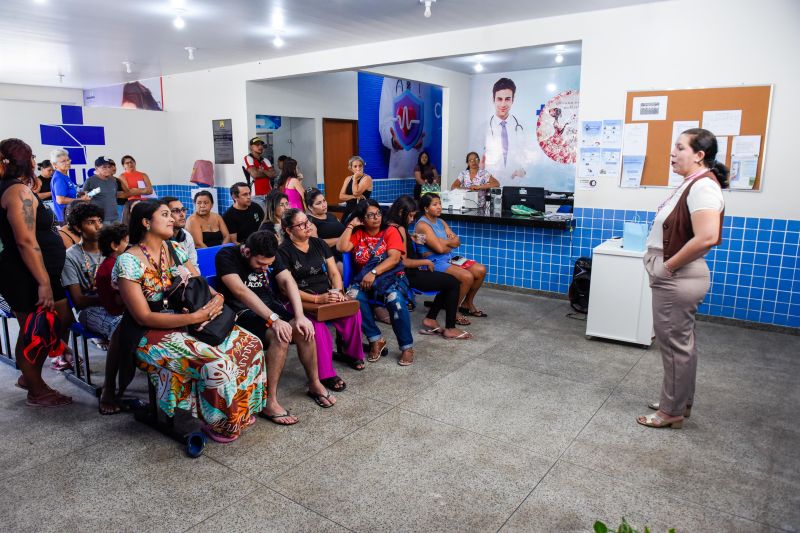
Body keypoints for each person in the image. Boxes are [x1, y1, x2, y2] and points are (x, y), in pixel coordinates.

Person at [115, 200, 266, 442]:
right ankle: (220, 423)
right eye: (164, 215)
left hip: (190, 321)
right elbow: (142, 316)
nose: (172, 219)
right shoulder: (128, 261)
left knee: (252, 343)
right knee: (218, 365)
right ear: (145, 222)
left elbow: (200, 284)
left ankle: (241, 408)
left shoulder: (174, 248)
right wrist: (196, 317)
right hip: (151, 332)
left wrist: (217, 298)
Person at [637, 128, 728, 430]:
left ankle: (671, 412)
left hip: (678, 277)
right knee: (681, 343)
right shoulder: (692, 183)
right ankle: (677, 400)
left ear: (699, 155)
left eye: (679, 148)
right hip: (677, 276)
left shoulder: (703, 187)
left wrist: (668, 267)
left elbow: (707, 237)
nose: (672, 153)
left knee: (675, 346)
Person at [216, 230, 335, 424]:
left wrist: (300, 316)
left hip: (269, 305)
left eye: (268, 265)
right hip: (242, 311)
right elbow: (240, 291)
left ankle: (314, 383)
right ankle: (269, 402)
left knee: (304, 329)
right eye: (260, 264)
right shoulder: (227, 255)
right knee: (280, 335)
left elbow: (288, 281)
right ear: (247, 252)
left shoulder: (271, 253)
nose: (265, 269)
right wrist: (273, 319)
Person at [0, 138, 72, 406]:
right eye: (31, 157)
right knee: (33, 330)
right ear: (25, 160)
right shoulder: (16, 191)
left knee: (61, 319)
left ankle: (29, 376)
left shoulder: (17, 188)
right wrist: (42, 283)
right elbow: (25, 241)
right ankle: (36, 388)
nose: (34, 161)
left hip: (42, 272)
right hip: (27, 274)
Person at [279, 209, 365, 390]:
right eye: (301, 224)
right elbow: (287, 289)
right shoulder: (283, 252)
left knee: (352, 313)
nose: (308, 226)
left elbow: (334, 272)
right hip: (300, 300)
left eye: (308, 222)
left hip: (325, 294)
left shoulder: (319, 244)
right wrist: (318, 299)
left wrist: (337, 291)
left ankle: (349, 353)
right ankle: (325, 374)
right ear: (288, 230)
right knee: (316, 328)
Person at [337, 199, 416, 366]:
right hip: (366, 282)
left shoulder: (390, 231)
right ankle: (376, 339)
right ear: (362, 218)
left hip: (390, 278)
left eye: (378, 213)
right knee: (353, 296)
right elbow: (341, 248)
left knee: (395, 299)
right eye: (370, 215)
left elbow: (395, 258)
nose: (376, 218)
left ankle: (407, 347)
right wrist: (351, 225)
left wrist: (373, 272)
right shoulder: (358, 233)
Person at [387, 196, 472, 339]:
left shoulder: (393, 226)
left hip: (410, 271)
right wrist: (424, 262)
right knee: (453, 283)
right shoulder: (398, 228)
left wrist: (411, 237)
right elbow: (403, 262)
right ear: (402, 212)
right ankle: (450, 328)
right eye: (411, 216)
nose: (413, 220)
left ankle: (431, 319)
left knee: (448, 281)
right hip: (407, 275)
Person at [415, 193, 489, 318]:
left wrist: (443, 242)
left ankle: (467, 303)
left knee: (481, 270)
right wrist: (448, 243)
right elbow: (439, 249)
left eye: (440, 204)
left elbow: (457, 241)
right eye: (435, 204)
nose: (439, 207)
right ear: (426, 208)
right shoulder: (423, 225)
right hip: (432, 262)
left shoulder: (441, 221)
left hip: (448, 258)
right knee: (467, 277)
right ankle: (453, 311)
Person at [61, 202, 122, 340]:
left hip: (117, 302)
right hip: (89, 310)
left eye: (99, 221)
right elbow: (79, 300)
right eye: (91, 222)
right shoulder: (70, 257)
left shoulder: (112, 249)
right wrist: (113, 298)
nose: (98, 226)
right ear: (77, 227)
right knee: (120, 327)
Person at [95, 222, 129, 415]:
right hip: (112, 312)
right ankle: (108, 389)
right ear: (115, 246)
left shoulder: (115, 262)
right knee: (121, 329)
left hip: (118, 309)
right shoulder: (112, 267)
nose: (129, 244)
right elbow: (118, 300)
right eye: (125, 241)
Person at [482, 77, 529, 185]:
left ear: (513, 99)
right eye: (499, 99)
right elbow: (479, 160)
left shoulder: (522, 127)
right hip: (491, 183)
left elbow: (528, 155)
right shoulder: (484, 128)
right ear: (493, 99)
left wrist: (524, 170)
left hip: (515, 183)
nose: (503, 104)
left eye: (507, 99)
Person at [379, 77, 428, 179]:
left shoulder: (426, 80)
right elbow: (385, 120)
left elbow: (429, 122)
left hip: (420, 164)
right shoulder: (389, 77)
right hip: (398, 167)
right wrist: (393, 140)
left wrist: (423, 140)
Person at [305, 187, 344, 259]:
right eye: (319, 203)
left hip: (345, 249)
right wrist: (341, 239)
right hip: (330, 256)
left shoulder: (330, 215)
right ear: (310, 207)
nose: (324, 205)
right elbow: (316, 244)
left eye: (324, 201)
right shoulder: (310, 222)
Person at [50, 148, 87, 222]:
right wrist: (81, 200)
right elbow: (60, 200)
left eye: (68, 159)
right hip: (65, 218)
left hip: (71, 215)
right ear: (55, 165)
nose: (68, 162)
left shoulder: (64, 176)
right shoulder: (59, 178)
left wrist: (80, 194)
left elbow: (68, 194)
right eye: (63, 161)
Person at [161, 196, 197, 267]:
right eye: (176, 211)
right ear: (165, 215)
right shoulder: (159, 239)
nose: (182, 214)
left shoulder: (187, 236)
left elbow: (194, 265)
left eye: (183, 210)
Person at [83, 156, 121, 223]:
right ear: (96, 168)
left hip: (115, 218)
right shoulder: (90, 181)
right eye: (104, 167)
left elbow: (114, 197)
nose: (108, 169)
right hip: (100, 219)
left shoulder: (113, 180)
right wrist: (94, 192)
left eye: (109, 167)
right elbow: (85, 199)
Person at [338, 156, 373, 223]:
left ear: (363, 166)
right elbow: (341, 196)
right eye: (355, 166)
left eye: (360, 166)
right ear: (350, 168)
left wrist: (355, 179)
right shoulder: (348, 179)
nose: (358, 168)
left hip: (361, 211)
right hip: (348, 210)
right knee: (343, 230)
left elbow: (356, 192)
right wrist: (353, 197)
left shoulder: (367, 178)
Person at [119, 155, 153, 223]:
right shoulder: (122, 176)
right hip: (131, 203)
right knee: (131, 224)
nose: (130, 164)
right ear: (123, 166)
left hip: (145, 202)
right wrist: (143, 190)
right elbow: (128, 193)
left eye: (131, 162)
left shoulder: (143, 175)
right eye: (127, 163)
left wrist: (134, 190)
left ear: (135, 163)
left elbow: (150, 190)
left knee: (147, 223)